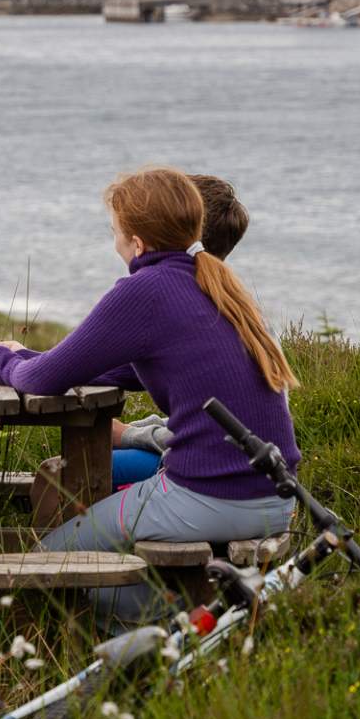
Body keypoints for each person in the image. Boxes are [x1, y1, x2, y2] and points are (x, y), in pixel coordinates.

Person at [0, 166, 299, 625]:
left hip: (212, 495)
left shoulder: (143, 290)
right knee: (77, 512)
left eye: (115, 232)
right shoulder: (219, 286)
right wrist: (30, 355)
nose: (114, 242)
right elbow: (108, 366)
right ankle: (185, 605)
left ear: (137, 243)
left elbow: (44, 381)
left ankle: (169, 618)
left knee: (50, 562)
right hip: (275, 495)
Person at [107, 173, 251, 487]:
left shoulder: (176, 304)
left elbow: (208, 441)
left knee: (68, 471)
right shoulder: (232, 302)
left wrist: (130, 435)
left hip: (210, 476)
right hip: (241, 474)